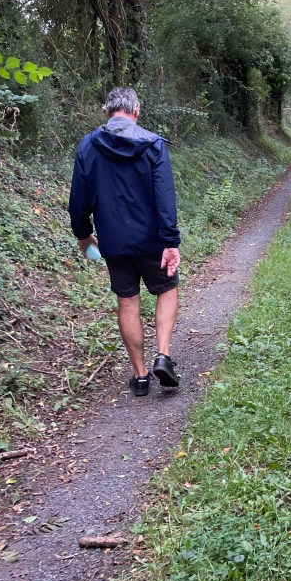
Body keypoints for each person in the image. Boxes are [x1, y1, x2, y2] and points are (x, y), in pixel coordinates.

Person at [69, 87, 181, 397]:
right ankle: (163, 356)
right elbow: (165, 197)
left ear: (107, 112)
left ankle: (141, 376)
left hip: (113, 241)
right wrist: (170, 241)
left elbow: (78, 201)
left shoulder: (88, 146)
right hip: (152, 240)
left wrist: (84, 235)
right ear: (137, 110)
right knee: (167, 289)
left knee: (127, 301)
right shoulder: (153, 144)